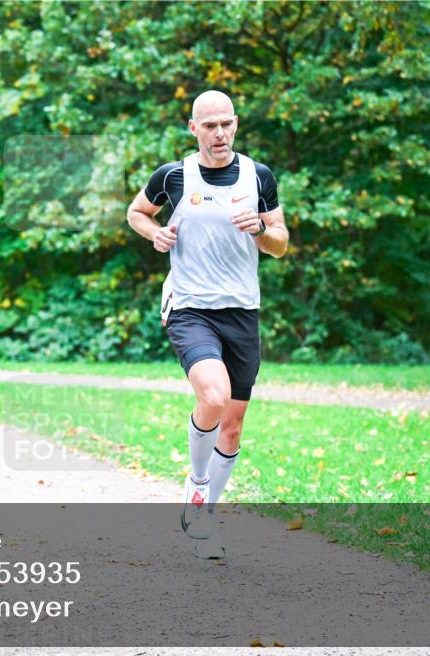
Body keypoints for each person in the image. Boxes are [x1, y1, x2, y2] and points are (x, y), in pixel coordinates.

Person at [127, 90, 289, 558]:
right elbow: (137, 212)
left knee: (233, 427)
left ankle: (204, 517)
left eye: (226, 124)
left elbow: (280, 242)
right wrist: (154, 231)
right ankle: (196, 484)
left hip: (242, 310)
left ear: (236, 124)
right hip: (190, 306)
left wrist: (260, 228)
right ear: (193, 128)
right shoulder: (174, 176)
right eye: (209, 125)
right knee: (213, 396)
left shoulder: (259, 176)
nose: (219, 134)